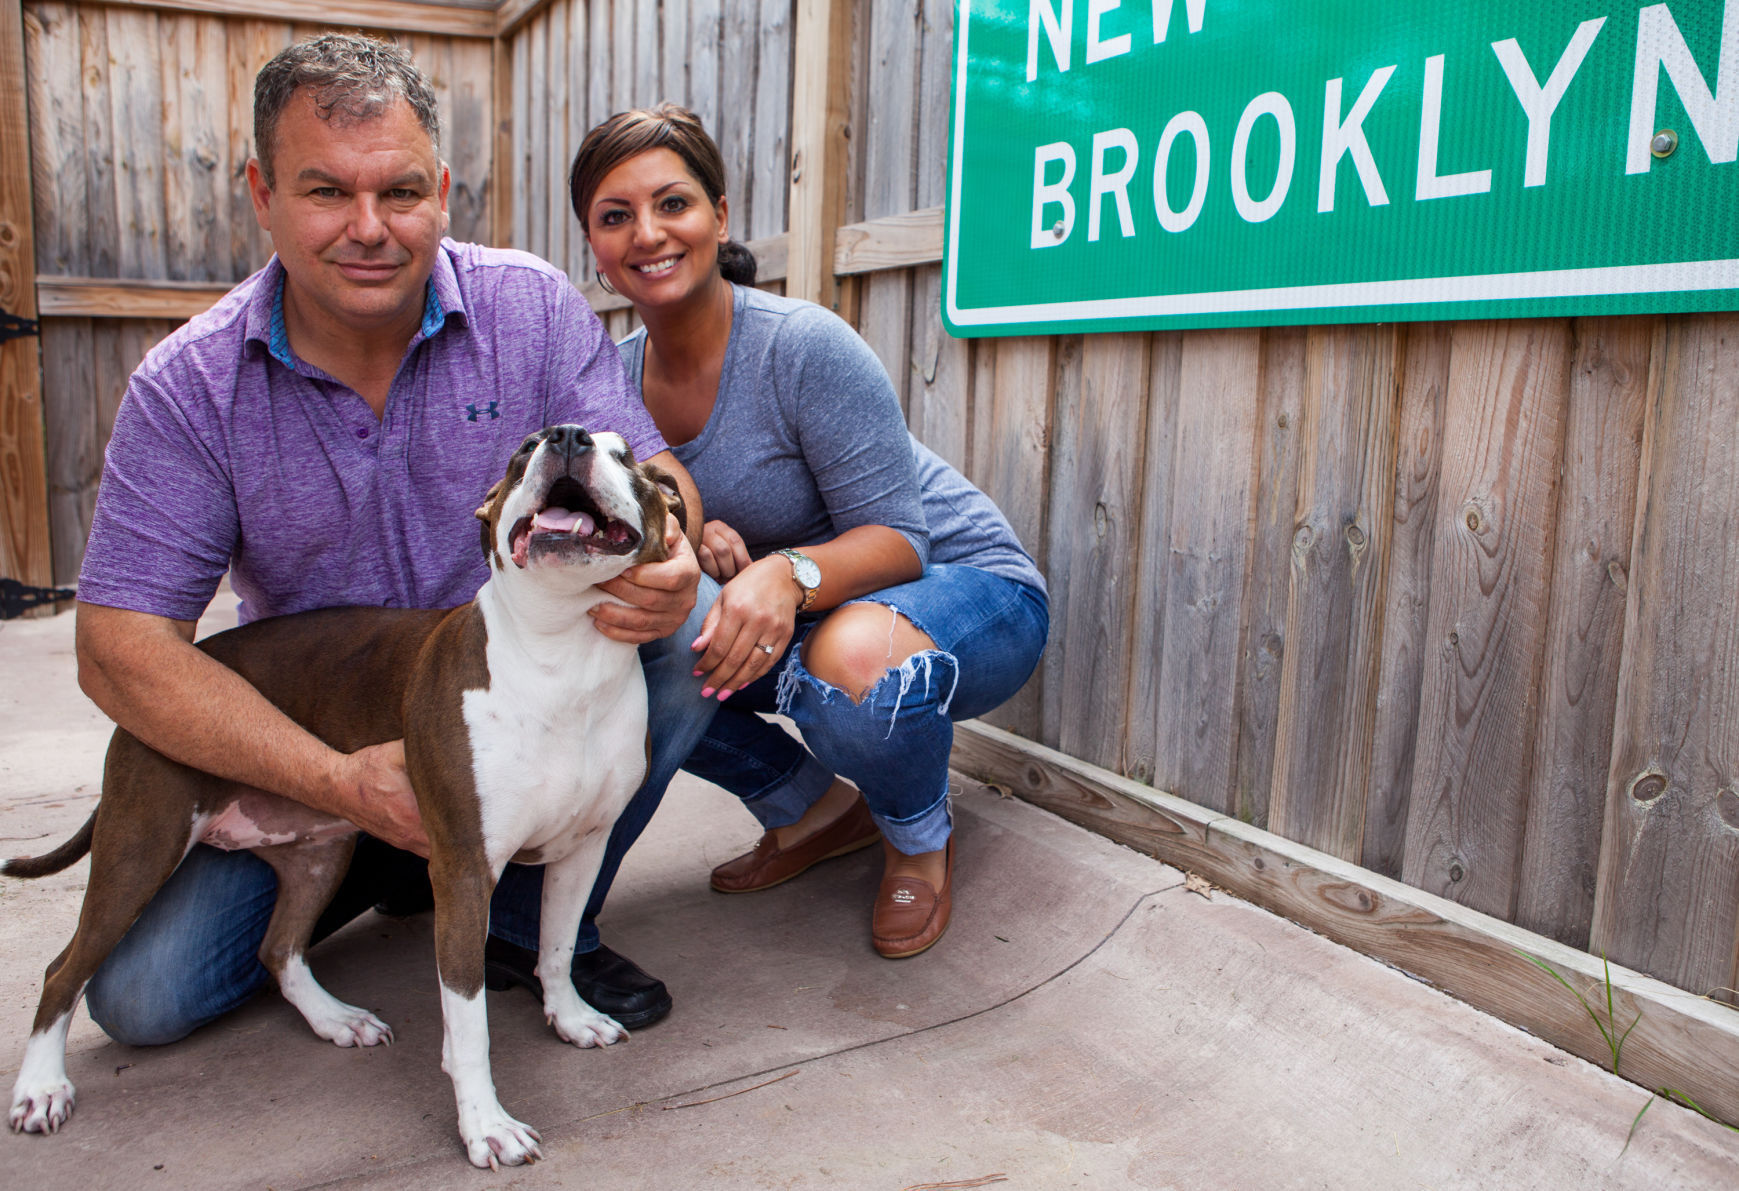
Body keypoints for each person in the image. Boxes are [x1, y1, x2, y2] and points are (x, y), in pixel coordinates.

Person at [70, 35, 721, 1042]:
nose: (370, 230)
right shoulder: (189, 386)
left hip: (518, 707)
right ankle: (392, 853)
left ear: (443, 190)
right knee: (142, 998)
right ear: (261, 193)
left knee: (695, 618)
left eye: (401, 192)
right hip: (323, 737)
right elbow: (119, 652)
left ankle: (523, 921)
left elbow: (648, 470)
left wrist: (672, 556)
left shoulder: (528, 306)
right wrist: (330, 782)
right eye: (326, 191)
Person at [567, 105, 1049, 958]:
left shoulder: (800, 346)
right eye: (615, 216)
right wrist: (715, 541)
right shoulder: (611, 381)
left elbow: (901, 539)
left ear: (718, 214)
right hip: (822, 608)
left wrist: (782, 572)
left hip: (968, 589)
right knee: (633, 637)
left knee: (856, 660)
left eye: (671, 203)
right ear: (593, 248)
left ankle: (915, 834)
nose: (647, 233)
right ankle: (816, 806)